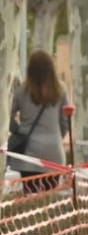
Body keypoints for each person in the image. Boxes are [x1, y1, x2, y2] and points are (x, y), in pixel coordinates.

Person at [7, 51, 69, 191]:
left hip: (28, 154)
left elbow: (6, 115)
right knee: (50, 196)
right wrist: (57, 137)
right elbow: (65, 121)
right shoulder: (60, 89)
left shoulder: (21, 91)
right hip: (53, 152)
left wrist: (17, 130)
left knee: (31, 196)